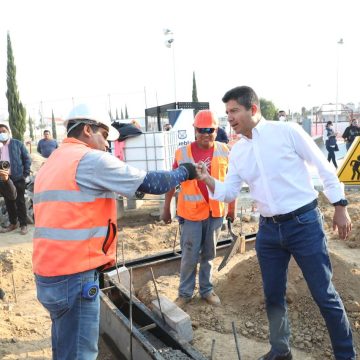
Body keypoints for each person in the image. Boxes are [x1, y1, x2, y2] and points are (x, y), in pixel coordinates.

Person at [196, 86, 355, 360]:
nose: (229, 118)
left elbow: (323, 166)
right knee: (272, 296)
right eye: (227, 112)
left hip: (304, 224)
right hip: (268, 231)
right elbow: (229, 192)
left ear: (253, 109)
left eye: (234, 111)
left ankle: (345, 355)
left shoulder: (287, 132)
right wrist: (207, 179)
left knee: (324, 294)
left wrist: (340, 206)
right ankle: (281, 351)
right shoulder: (238, 152)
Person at [32, 104, 197, 360]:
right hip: (74, 277)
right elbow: (152, 183)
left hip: (49, 275)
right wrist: (185, 171)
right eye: (104, 136)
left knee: (65, 346)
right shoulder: (89, 159)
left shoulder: (54, 161)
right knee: (79, 354)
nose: (108, 145)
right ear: (87, 130)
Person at [162, 110, 235, 307]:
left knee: (209, 255)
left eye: (209, 130)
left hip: (215, 212)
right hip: (191, 213)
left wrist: (231, 208)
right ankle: (185, 293)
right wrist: (166, 207)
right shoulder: (183, 153)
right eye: (201, 130)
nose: (205, 133)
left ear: (216, 130)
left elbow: (231, 182)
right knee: (189, 255)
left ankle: (206, 290)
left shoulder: (225, 150)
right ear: (195, 130)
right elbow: (171, 181)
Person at [0, 124, 31, 235]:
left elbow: (27, 158)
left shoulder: (17, 144)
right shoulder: (0, 147)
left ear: (8, 132)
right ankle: (13, 223)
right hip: (4, 179)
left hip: (18, 177)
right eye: (0, 132)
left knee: (20, 202)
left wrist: (25, 174)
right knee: (9, 202)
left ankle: (23, 225)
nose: (2, 134)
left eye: (3, 131)